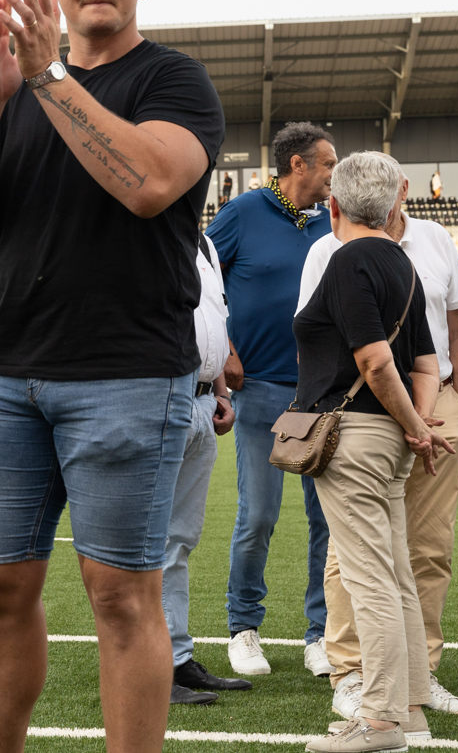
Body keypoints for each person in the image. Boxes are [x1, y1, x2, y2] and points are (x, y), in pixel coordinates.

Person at [0, 0, 224, 751]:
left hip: (126, 373)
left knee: (122, 596)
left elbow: (146, 183)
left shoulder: (174, 82)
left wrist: (49, 76)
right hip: (3, 375)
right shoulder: (17, 94)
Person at [298, 159, 458, 718]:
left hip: (354, 432)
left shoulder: (347, 258)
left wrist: (413, 424)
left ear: (334, 207)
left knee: (369, 574)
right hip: (399, 428)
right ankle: (412, 696)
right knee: (398, 572)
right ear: (396, 200)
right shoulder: (403, 265)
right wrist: (418, 426)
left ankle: (382, 711)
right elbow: (425, 362)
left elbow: (376, 362)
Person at [205, 122, 338, 677]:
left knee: (327, 520)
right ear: (298, 165)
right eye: (328, 163)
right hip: (258, 385)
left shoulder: (336, 218)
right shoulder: (242, 213)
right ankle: (244, 627)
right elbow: (199, 279)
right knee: (258, 514)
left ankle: (321, 633)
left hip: (326, 391)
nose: (336, 173)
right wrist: (225, 349)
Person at [165, 231, 249, 704]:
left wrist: (221, 392)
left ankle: (177, 658)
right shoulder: (147, 226)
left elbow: (214, 325)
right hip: (163, 394)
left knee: (178, 540)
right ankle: (155, 664)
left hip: (201, 400)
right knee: (154, 542)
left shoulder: (207, 244)